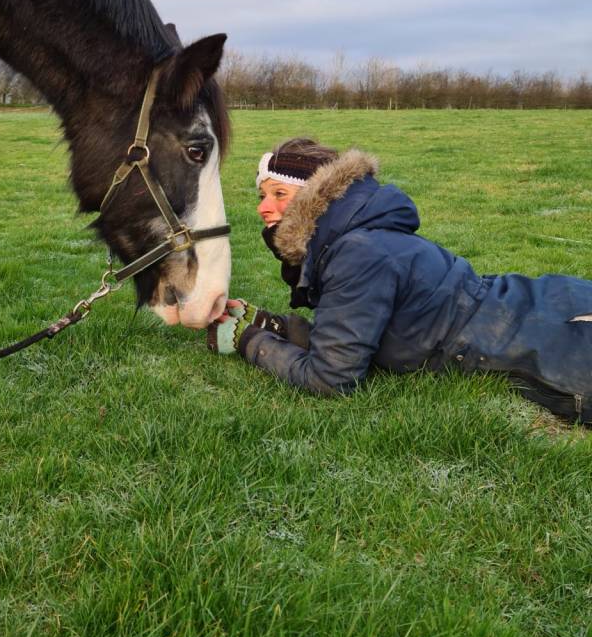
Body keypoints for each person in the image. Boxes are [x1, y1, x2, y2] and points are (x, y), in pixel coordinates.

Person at [207, 138, 592, 424]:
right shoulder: (357, 237)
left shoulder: (356, 253)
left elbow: (330, 378)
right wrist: (274, 325)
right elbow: (356, 332)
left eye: (279, 193)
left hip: (550, 344)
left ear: (315, 198)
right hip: (523, 301)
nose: (262, 207)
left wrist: (250, 342)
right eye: (262, 195)